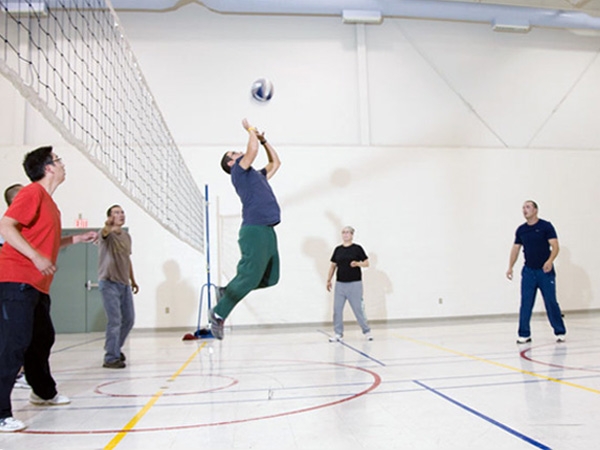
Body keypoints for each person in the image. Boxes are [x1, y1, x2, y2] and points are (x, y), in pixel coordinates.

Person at [0, 146, 97, 432]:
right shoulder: (31, 192)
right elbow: (6, 227)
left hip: (37, 284)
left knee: (42, 339)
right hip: (16, 279)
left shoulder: (50, 203)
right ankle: (1, 413)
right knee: (13, 345)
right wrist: (35, 257)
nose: (63, 165)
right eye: (58, 160)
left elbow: (46, 243)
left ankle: (43, 392)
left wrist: (76, 239)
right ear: (48, 167)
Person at [210, 118, 281, 340]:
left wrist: (264, 140)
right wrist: (250, 130)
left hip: (267, 229)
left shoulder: (256, 175)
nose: (238, 152)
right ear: (231, 163)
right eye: (234, 153)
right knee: (249, 278)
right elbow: (251, 151)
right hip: (254, 229)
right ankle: (218, 313)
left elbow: (276, 163)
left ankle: (227, 290)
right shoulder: (238, 173)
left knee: (271, 278)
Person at [506, 200, 567, 344]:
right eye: (523, 207)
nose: (524, 210)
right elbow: (516, 249)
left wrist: (550, 260)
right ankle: (524, 334)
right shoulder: (521, 230)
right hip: (528, 272)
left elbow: (555, 246)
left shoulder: (546, 226)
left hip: (545, 272)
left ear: (535, 210)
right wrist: (510, 266)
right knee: (526, 303)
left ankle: (560, 331)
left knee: (551, 302)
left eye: (528, 207)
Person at [98, 205, 139, 369]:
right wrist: (107, 225)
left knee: (129, 319)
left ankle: (114, 348)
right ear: (110, 216)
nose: (121, 214)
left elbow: (127, 259)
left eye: (122, 212)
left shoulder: (127, 237)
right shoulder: (106, 235)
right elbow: (104, 233)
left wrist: (133, 280)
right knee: (115, 321)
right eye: (116, 212)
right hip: (108, 282)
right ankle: (110, 357)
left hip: (124, 284)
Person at [0, 184, 30, 390]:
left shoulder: (26, 225)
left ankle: (29, 376)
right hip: (10, 286)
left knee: (33, 333)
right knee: (13, 334)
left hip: (28, 284)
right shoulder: (7, 227)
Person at [326, 226, 372, 342]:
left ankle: (367, 331)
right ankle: (338, 333)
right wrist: (329, 280)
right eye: (343, 232)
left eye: (347, 232)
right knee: (337, 309)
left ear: (352, 235)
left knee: (358, 309)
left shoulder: (357, 249)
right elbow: (333, 266)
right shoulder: (338, 250)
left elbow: (366, 263)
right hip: (340, 284)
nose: (345, 234)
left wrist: (358, 264)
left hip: (355, 284)